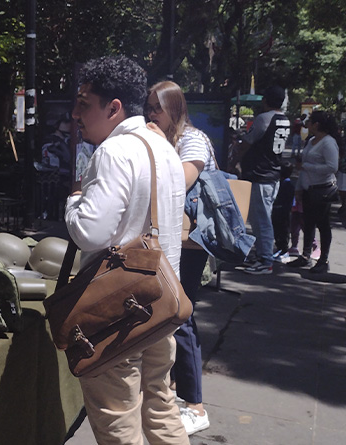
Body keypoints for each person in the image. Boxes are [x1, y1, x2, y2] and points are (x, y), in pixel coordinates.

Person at [64, 55, 188, 445]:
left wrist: (73, 200)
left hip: (118, 316)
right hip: (161, 305)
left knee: (119, 424)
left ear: (114, 108)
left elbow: (89, 232)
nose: (76, 113)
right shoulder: (163, 146)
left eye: (85, 103)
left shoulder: (114, 152)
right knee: (161, 408)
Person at [145, 80, 216, 436]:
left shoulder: (193, 140)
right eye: (148, 107)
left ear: (175, 108)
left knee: (180, 313)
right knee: (171, 313)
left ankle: (195, 406)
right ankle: (174, 389)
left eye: (157, 107)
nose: (150, 114)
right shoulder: (166, 138)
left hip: (190, 242)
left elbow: (179, 183)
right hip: (172, 239)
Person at [235, 86, 290, 275]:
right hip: (273, 174)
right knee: (260, 218)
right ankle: (261, 254)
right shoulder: (284, 120)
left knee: (262, 220)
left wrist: (237, 160)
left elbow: (248, 142)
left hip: (260, 174)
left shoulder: (264, 119)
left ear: (266, 100)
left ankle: (266, 259)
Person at [287, 111, 340, 273]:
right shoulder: (311, 141)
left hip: (323, 189)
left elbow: (332, 167)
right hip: (308, 188)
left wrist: (308, 167)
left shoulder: (328, 143)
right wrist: (299, 188)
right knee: (308, 223)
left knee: (323, 224)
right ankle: (305, 255)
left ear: (317, 124)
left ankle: (323, 259)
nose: (307, 124)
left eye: (310, 121)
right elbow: (303, 165)